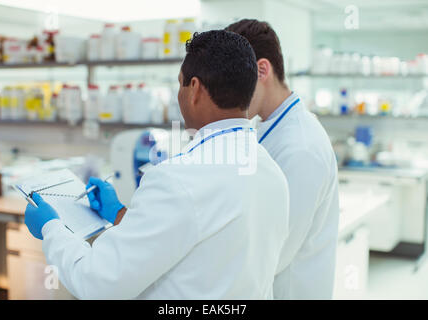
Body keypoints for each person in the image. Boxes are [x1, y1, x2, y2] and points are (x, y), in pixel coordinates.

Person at [24, 30, 289, 300]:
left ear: (194, 89)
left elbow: (97, 283)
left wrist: (51, 229)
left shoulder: (178, 179)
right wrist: (119, 214)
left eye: (180, 84)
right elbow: (199, 242)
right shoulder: (271, 169)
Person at [226, 19, 340, 300]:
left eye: (232, 81)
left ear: (262, 70)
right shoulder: (267, 125)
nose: (227, 95)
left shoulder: (301, 147)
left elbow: (275, 253)